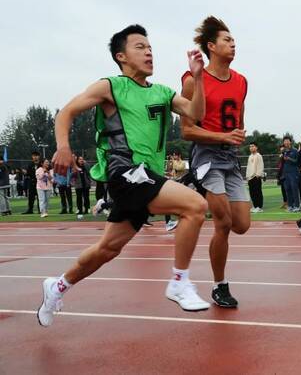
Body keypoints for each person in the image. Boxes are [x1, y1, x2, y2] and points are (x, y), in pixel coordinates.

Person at [36, 24, 211, 328]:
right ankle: (179, 282)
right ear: (121, 56)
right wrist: (63, 147)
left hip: (148, 177)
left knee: (108, 249)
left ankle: (58, 286)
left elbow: (195, 114)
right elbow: (65, 113)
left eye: (150, 46)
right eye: (140, 47)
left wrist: (197, 78)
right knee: (195, 205)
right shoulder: (111, 87)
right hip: (125, 173)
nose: (149, 51)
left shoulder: (162, 92)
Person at [180, 16, 250, 308]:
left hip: (229, 156)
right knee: (222, 223)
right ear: (211, 46)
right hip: (206, 154)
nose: (233, 44)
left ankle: (197, 194)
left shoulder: (241, 81)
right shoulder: (192, 80)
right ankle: (220, 286)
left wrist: (235, 136)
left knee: (241, 224)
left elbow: (240, 121)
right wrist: (222, 137)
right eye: (226, 40)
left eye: (233, 40)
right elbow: (186, 130)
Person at [282, 136, 301, 211]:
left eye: (287, 141)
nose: (286, 142)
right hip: (286, 173)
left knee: (294, 189)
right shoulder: (283, 151)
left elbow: (297, 162)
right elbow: (282, 163)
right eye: (284, 141)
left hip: (294, 172)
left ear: (290, 142)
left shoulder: (295, 150)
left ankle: (297, 206)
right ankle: (290, 205)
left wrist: (289, 158)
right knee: (287, 189)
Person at [246, 142, 264, 212]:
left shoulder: (258, 155)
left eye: (253, 146)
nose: (251, 148)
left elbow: (261, 166)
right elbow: (248, 167)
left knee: (258, 192)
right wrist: (247, 177)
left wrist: (258, 175)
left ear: (256, 147)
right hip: (250, 177)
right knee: (252, 193)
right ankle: (255, 206)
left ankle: (259, 207)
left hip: (256, 177)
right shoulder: (250, 156)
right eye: (250, 146)